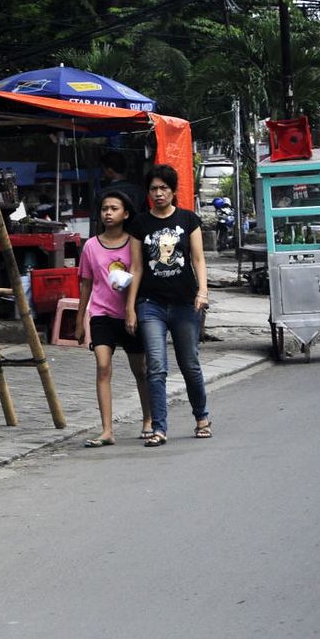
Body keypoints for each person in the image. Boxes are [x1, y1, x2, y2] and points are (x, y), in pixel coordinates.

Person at [125, 165, 212, 447]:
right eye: (154, 189)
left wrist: (203, 292)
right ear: (148, 192)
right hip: (151, 305)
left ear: (173, 191)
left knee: (190, 365)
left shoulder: (189, 220)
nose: (159, 193)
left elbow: (198, 259)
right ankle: (159, 428)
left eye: (164, 188)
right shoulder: (139, 224)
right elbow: (136, 268)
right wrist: (130, 307)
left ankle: (201, 418)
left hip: (186, 304)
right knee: (156, 367)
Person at [75, 190, 153, 447]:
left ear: (126, 213)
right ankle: (107, 429)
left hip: (130, 314)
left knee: (140, 371)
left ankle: (148, 420)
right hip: (101, 314)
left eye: (114, 208)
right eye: (104, 208)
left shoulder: (134, 242)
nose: (108, 213)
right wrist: (79, 321)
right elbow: (86, 284)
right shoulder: (91, 246)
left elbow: (139, 273)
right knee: (102, 367)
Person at [100, 151, 147, 216]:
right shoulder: (139, 191)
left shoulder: (102, 194)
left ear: (110, 171)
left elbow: (97, 221)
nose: (103, 174)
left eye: (103, 170)